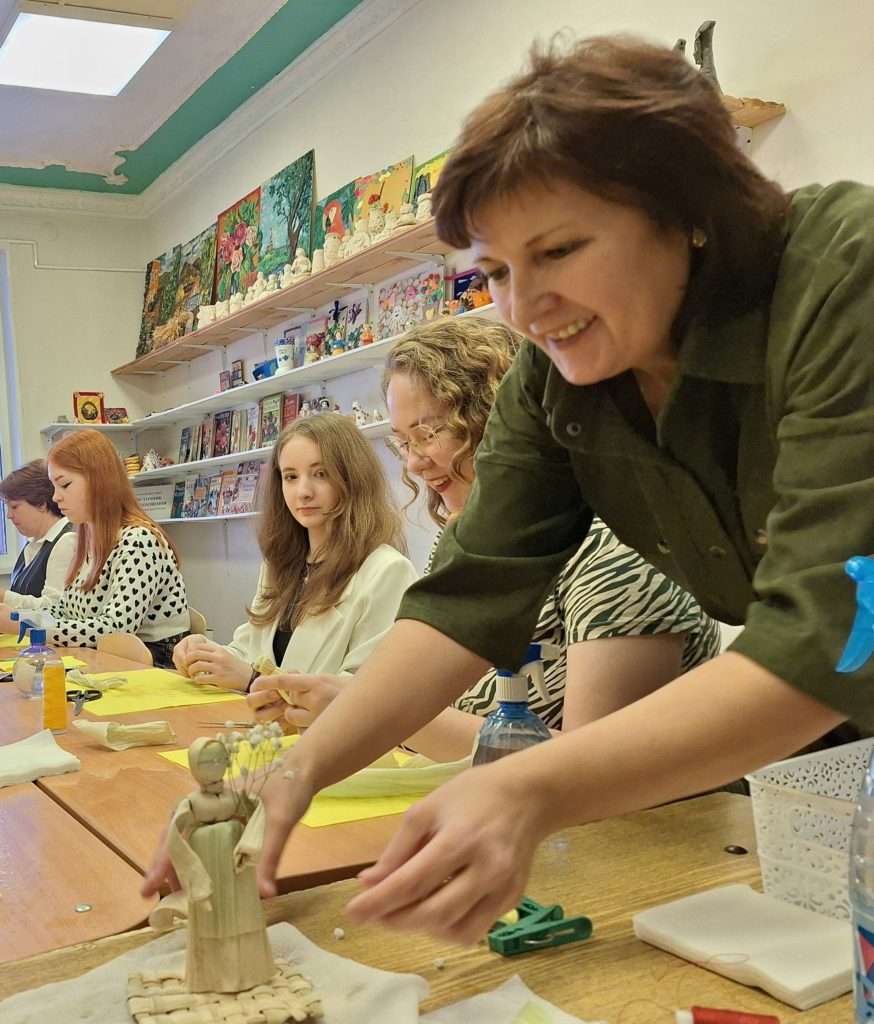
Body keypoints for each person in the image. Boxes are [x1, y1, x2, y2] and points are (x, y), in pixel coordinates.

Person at [146, 35, 870, 942]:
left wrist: (528, 784)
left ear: (689, 210)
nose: (524, 308)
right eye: (494, 272)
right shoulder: (555, 379)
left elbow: (835, 631)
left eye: (559, 250)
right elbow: (463, 598)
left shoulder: (845, 276)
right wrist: (294, 775)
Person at [249, 318, 720, 758]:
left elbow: (596, 767)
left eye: (430, 432)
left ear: (503, 419)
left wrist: (377, 715)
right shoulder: (467, 542)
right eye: (403, 442)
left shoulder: (616, 547)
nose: (413, 463)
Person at [172, 414, 418, 691]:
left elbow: (369, 695)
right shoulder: (279, 565)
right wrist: (204, 655)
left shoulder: (387, 570)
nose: (303, 492)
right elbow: (247, 651)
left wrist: (254, 682)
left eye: (320, 474)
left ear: (353, 479)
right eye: (290, 476)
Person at [0, 430, 189, 666]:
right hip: (107, 661)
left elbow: (115, 629)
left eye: (65, 485)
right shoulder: (88, 540)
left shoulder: (139, 540)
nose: (56, 498)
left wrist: (26, 625)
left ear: (100, 481)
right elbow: (64, 610)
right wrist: (20, 616)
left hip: (157, 667)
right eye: (53, 487)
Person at [0, 459, 75, 607]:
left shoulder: (67, 541)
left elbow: (54, 607)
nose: (9, 515)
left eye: (15, 507)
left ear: (41, 503)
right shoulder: (31, 545)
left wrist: (3, 597)